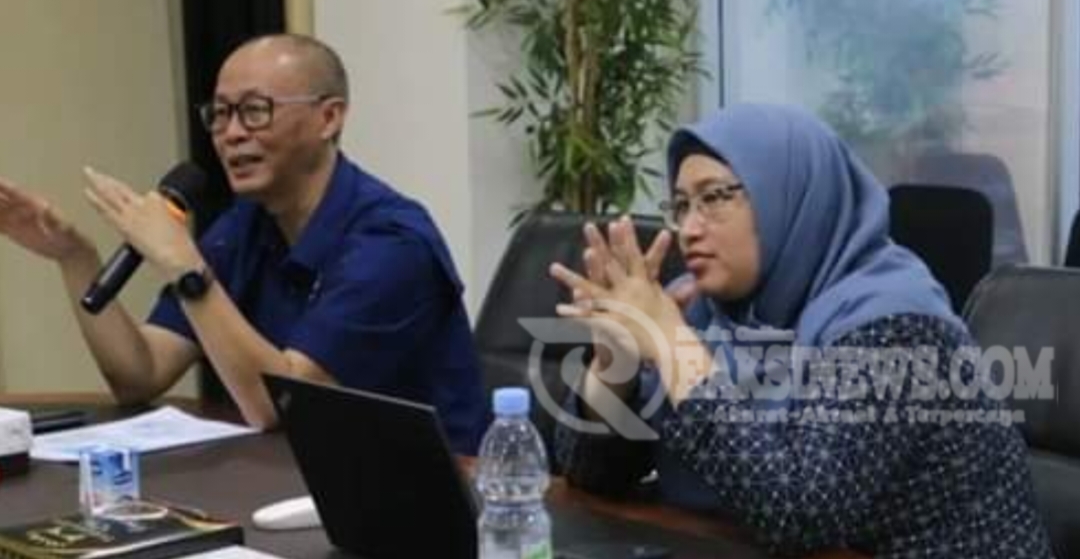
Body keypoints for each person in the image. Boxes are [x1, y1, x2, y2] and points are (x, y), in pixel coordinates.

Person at [548, 104, 1052, 557]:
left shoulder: (897, 323)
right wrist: (614, 364)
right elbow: (590, 476)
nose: (690, 228)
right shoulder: (701, 311)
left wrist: (672, 348)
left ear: (792, 198)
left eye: (714, 198)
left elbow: (797, 512)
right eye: (681, 205)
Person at [0, 34, 485, 454]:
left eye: (255, 111)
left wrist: (184, 264)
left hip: (429, 493)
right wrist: (75, 258)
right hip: (300, 474)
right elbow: (141, 374)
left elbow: (280, 405)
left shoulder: (392, 243)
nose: (231, 134)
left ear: (328, 118)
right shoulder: (244, 226)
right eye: (220, 114)